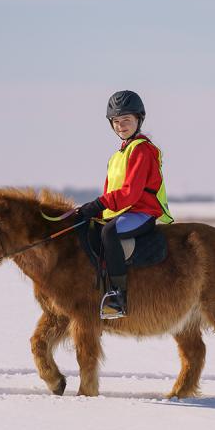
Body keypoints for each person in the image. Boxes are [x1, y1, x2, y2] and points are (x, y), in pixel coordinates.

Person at [76, 90, 174, 319]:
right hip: (121, 212)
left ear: (139, 120)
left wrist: (97, 204)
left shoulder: (141, 149)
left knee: (110, 232)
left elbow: (130, 193)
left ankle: (118, 296)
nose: (121, 126)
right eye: (116, 122)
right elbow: (110, 192)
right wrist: (96, 211)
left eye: (126, 120)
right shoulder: (117, 155)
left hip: (141, 212)